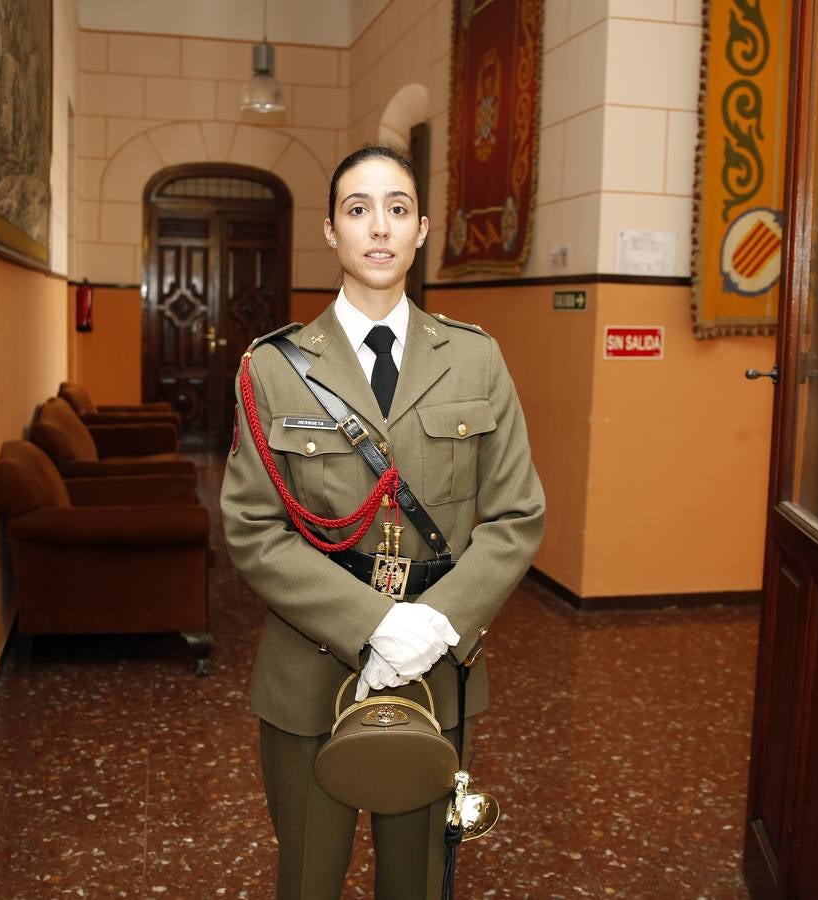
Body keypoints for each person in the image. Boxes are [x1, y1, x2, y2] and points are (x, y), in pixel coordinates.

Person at [220, 144, 545, 900]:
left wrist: (435, 621)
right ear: (331, 231)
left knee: (419, 877)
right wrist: (372, 623)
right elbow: (251, 528)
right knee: (308, 874)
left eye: (397, 209)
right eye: (357, 209)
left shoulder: (475, 361)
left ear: (422, 230)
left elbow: (516, 514)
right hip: (309, 661)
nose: (378, 227)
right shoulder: (273, 367)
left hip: (437, 663)